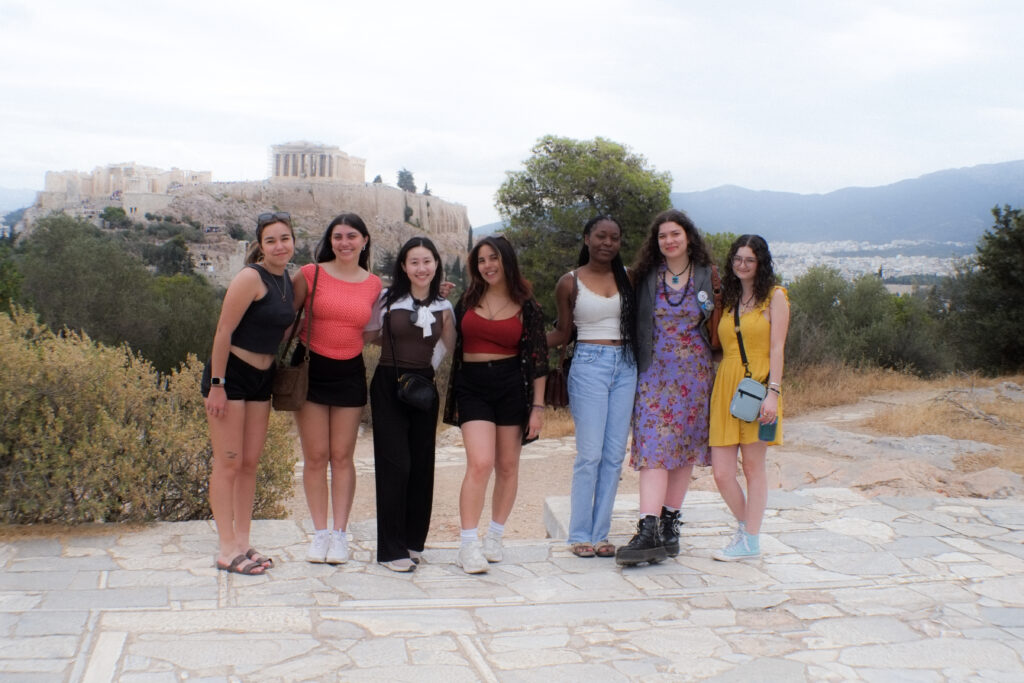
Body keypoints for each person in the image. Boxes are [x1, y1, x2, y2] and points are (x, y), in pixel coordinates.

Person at [616, 209, 717, 566]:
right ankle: (648, 527)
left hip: (695, 375)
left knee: (684, 449)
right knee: (654, 448)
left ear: (688, 236)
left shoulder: (708, 275)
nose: (669, 241)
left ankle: (669, 526)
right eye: (662, 236)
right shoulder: (645, 276)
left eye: (675, 234)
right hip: (654, 373)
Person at [443, 235, 548, 574]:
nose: (487, 266)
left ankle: (495, 537)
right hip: (472, 385)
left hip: (510, 386)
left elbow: (538, 360)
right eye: (481, 260)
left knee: (507, 465)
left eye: (493, 259)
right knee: (480, 463)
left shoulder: (527, 306)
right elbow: (448, 337)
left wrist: (538, 407)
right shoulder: (467, 298)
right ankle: (468, 544)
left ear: (506, 261)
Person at [203, 211, 296, 575]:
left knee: (249, 464)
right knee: (227, 462)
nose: (279, 245)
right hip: (232, 377)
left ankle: (243, 541)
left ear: (293, 241)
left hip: (263, 378)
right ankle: (227, 548)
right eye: (271, 240)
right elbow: (223, 331)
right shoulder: (250, 277)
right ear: (261, 245)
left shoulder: (287, 280)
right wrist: (217, 386)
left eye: (284, 238)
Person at [291, 213, 382, 564]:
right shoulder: (309, 274)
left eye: (352, 236)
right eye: (338, 236)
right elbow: (288, 317)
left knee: (342, 457)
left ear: (364, 240)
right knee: (315, 457)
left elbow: (370, 330)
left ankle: (340, 535)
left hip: (350, 371)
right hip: (311, 368)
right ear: (330, 240)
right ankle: (320, 534)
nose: (344, 242)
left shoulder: (374, 284)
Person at [547, 216, 637, 559]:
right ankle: (579, 534)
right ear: (587, 238)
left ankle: (601, 535)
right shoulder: (569, 283)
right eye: (600, 236)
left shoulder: (630, 277)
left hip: (626, 366)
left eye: (614, 237)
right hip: (589, 364)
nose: (607, 243)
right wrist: (523, 342)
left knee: (614, 456)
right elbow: (563, 334)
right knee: (590, 455)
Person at [366, 237, 455, 572]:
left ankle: (412, 542)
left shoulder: (444, 306)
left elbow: (446, 346)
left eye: (427, 261)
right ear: (404, 266)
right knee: (395, 465)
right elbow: (371, 333)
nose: (421, 268)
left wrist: (425, 374)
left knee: (421, 465)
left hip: (423, 387)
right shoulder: (388, 299)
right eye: (414, 262)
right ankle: (390, 550)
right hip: (389, 383)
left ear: (436, 264)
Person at [710, 234, 789, 561]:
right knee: (722, 473)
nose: (742, 265)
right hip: (726, 388)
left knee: (754, 469)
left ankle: (750, 540)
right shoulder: (727, 300)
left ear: (760, 263)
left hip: (758, 389)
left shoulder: (775, 297)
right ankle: (747, 527)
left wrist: (773, 393)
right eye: (738, 259)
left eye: (749, 260)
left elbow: (777, 348)